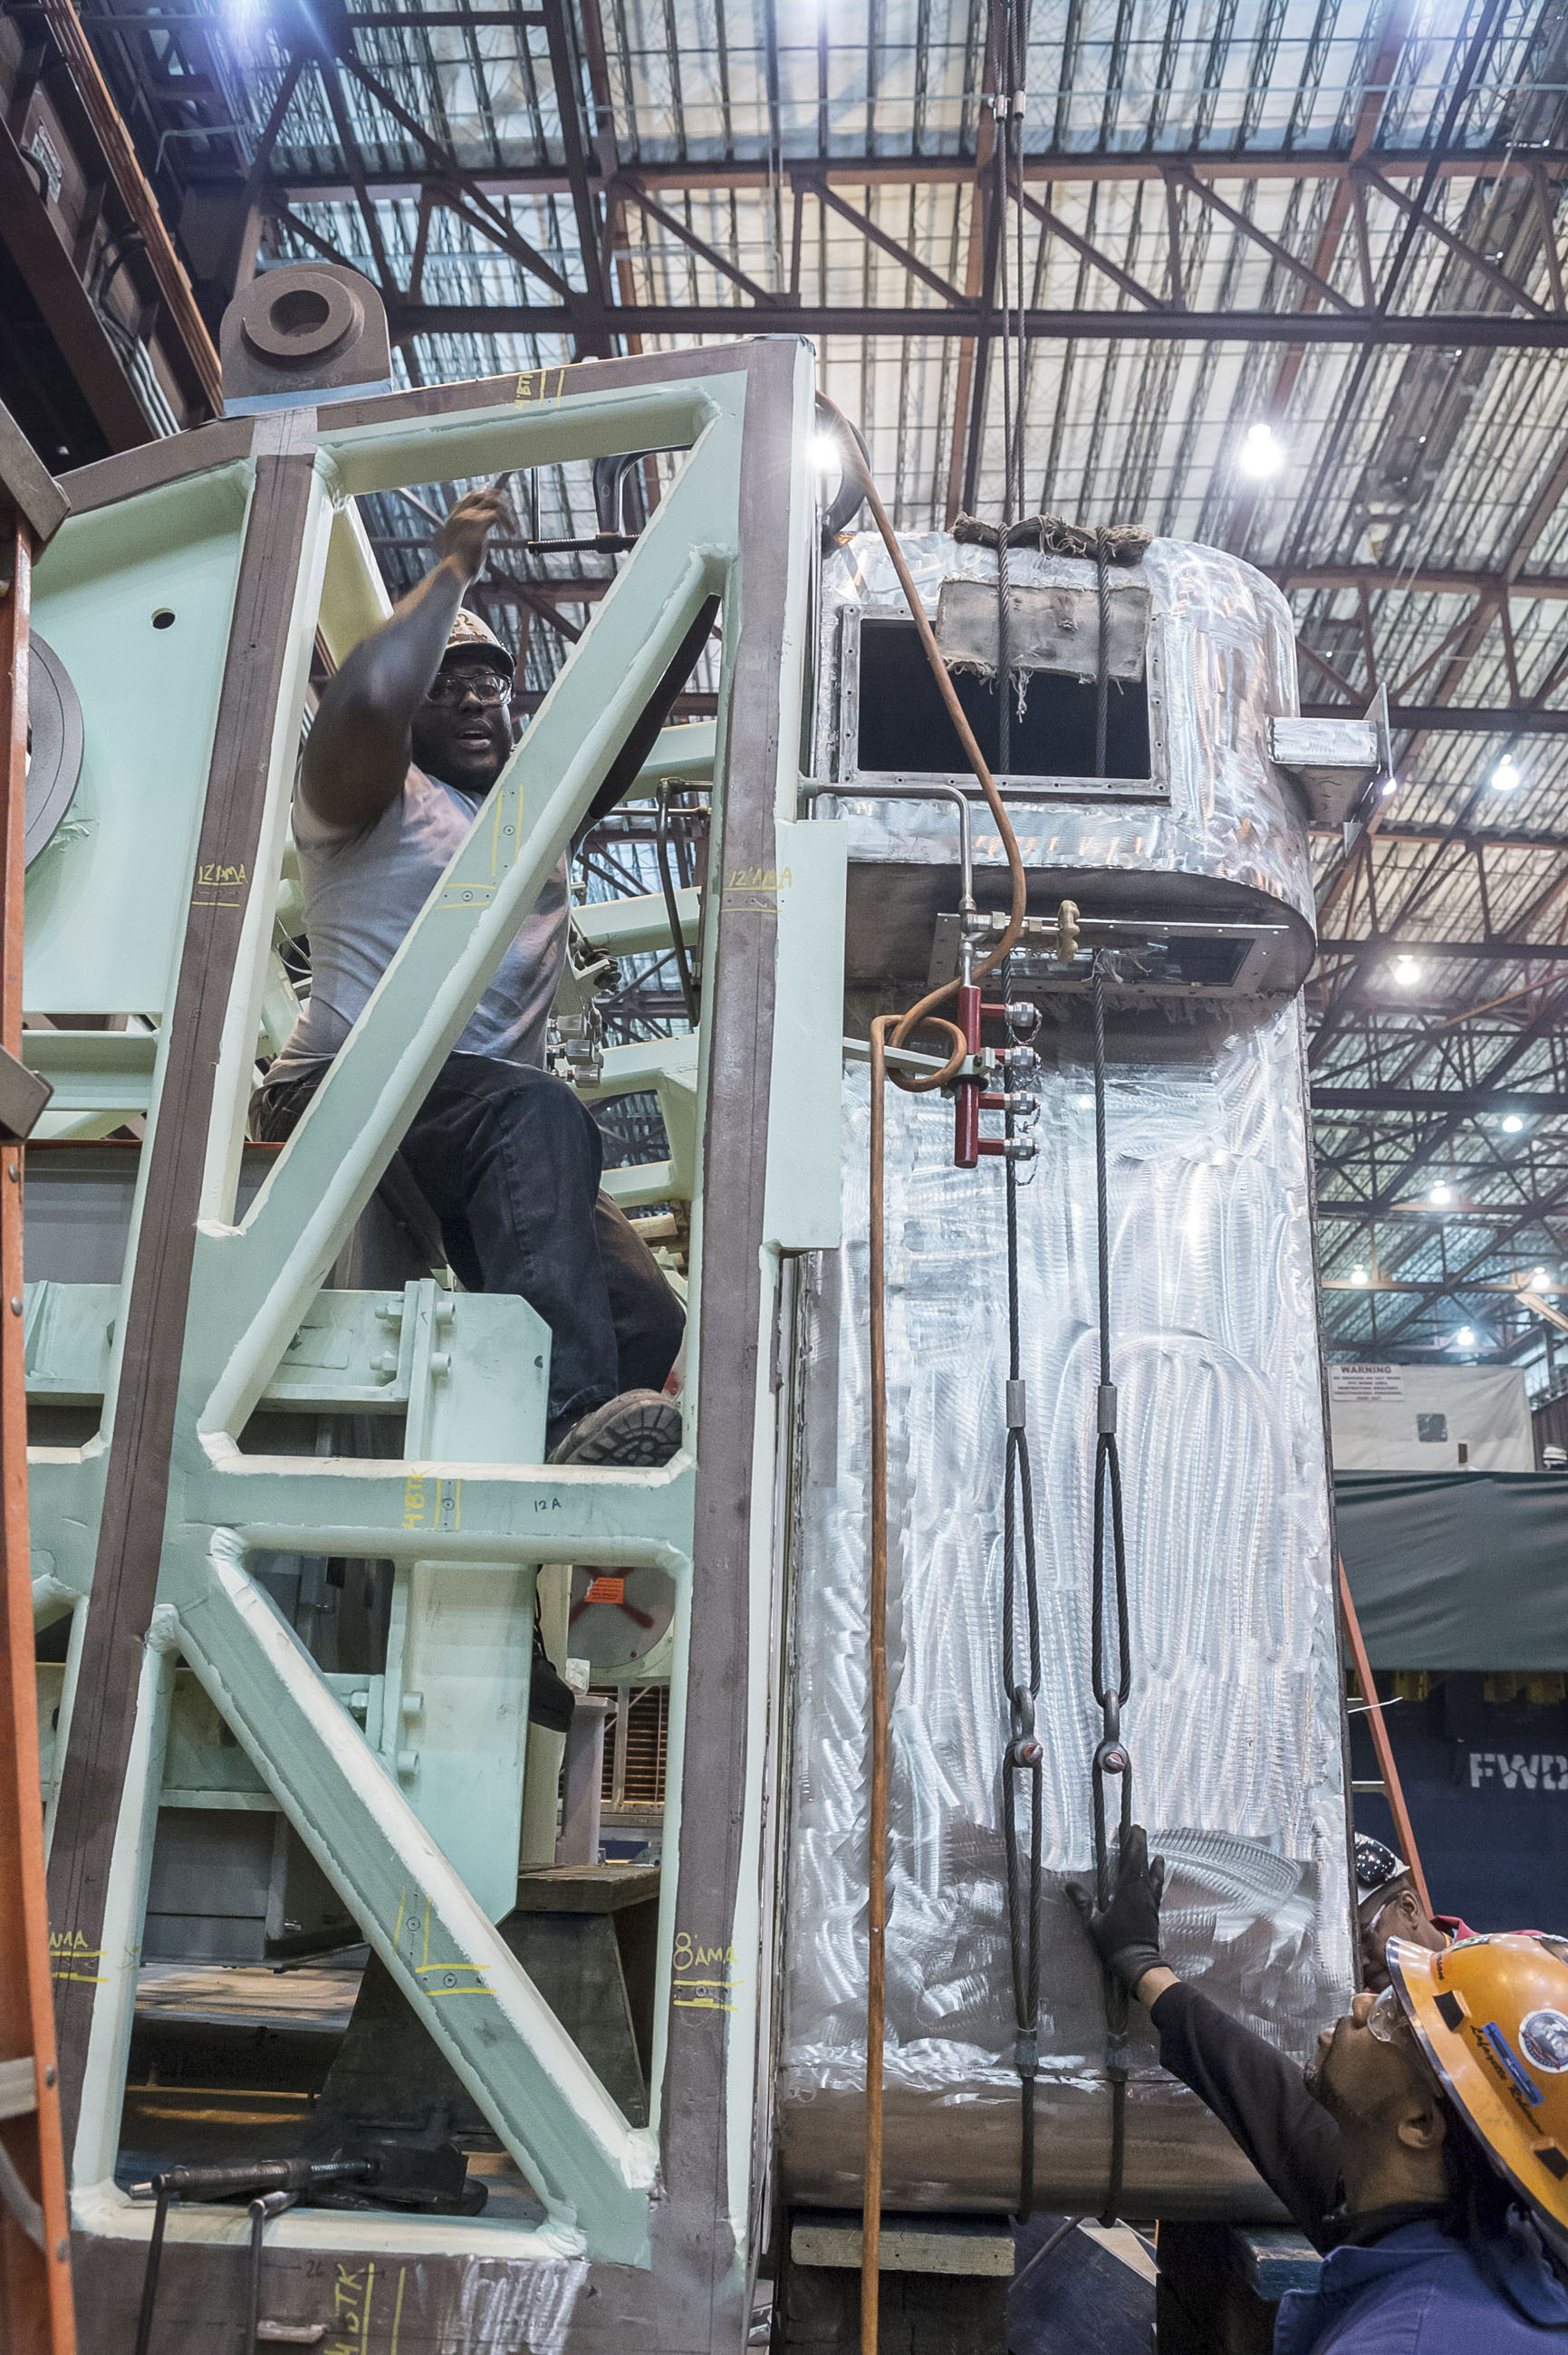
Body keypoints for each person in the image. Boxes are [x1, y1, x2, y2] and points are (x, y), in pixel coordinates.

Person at [253, 485, 685, 1473]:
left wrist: (707, 567)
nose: (479, 696)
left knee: (645, 1312)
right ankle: (562, 1415)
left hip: (458, 1124)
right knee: (536, 1113)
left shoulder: (533, 821)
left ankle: (531, 1477)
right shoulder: (366, 801)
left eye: (492, 682)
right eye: (448, 683)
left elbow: (629, 713)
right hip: (338, 1091)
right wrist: (449, 569)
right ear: (411, 708)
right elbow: (361, 700)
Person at [1070, 1828, 1568, 2350]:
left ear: (1420, 2125)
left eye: (1394, 2016)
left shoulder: (1403, 2340)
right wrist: (1146, 1970)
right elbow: (1277, 2105)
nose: (1361, 2004)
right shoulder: (1447, 2218)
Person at [1355, 1834, 1475, 1995]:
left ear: (1408, 1908)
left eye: (1364, 1937)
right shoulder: (1358, 2013)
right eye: (1349, 1951)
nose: (1361, 1961)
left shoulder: (1512, 1962)